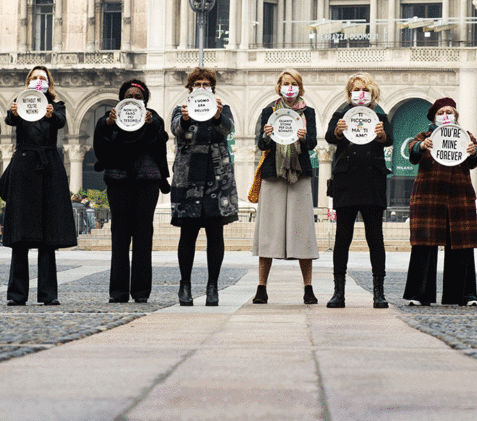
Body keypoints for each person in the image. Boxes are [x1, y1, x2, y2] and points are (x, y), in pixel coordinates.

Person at [0, 66, 77, 305]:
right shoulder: (20, 101)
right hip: (23, 167)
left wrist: (52, 114)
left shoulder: (56, 104)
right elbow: (10, 120)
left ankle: (48, 294)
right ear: (28, 81)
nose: (38, 80)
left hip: (49, 167)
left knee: (48, 234)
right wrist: (13, 112)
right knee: (20, 233)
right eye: (34, 77)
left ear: (49, 82)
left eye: (42, 77)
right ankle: (17, 294)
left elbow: (61, 122)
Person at [94, 79, 170, 304]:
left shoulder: (154, 118)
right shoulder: (110, 118)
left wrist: (150, 125)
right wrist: (108, 124)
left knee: (143, 235)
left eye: (138, 96)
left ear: (145, 100)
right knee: (119, 235)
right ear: (121, 99)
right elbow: (101, 146)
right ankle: (118, 291)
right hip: (118, 180)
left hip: (147, 181)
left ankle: (141, 291)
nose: (134, 99)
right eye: (129, 96)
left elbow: (159, 145)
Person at [171, 68, 239, 307]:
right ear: (190, 87)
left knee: (215, 235)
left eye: (206, 84)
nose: (202, 87)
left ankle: (213, 286)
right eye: (197, 83)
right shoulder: (180, 110)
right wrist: (187, 118)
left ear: (213, 87)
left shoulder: (223, 109)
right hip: (188, 178)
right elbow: (177, 131)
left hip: (216, 178)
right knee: (187, 235)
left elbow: (227, 130)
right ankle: (185, 285)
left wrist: (218, 115)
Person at [403, 97, 477, 306]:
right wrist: (421, 146)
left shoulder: (466, 135)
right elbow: (412, 151)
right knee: (424, 245)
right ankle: (420, 294)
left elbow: (475, 157)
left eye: (450, 112)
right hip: (429, 195)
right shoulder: (425, 135)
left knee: (461, 245)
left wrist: (475, 151)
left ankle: (464, 294)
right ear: (434, 117)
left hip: (459, 194)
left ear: (456, 116)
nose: (446, 116)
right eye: (441, 113)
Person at [324, 72, 393, 309]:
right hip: (346, 182)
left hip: (373, 181)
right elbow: (328, 137)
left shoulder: (381, 114)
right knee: (343, 238)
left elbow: (390, 139)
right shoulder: (340, 113)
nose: (360, 93)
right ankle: (338, 292)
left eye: (365, 89)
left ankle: (379, 292)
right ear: (349, 92)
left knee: (376, 238)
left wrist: (382, 134)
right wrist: (337, 131)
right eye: (356, 89)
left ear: (372, 92)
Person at [253, 69, 319, 305]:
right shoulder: (268, 111)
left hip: (299, 172)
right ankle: (261, 287)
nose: (289, 87)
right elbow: (261, 144)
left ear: (300, 87)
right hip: (274, 174)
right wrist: (267, 135)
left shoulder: (307, 112)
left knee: (303, 232)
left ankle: (308, 288)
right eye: (285, 83)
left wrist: (303, 137)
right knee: (268, 232)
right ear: (278, 86)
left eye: (294, 84)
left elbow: (312, 143)